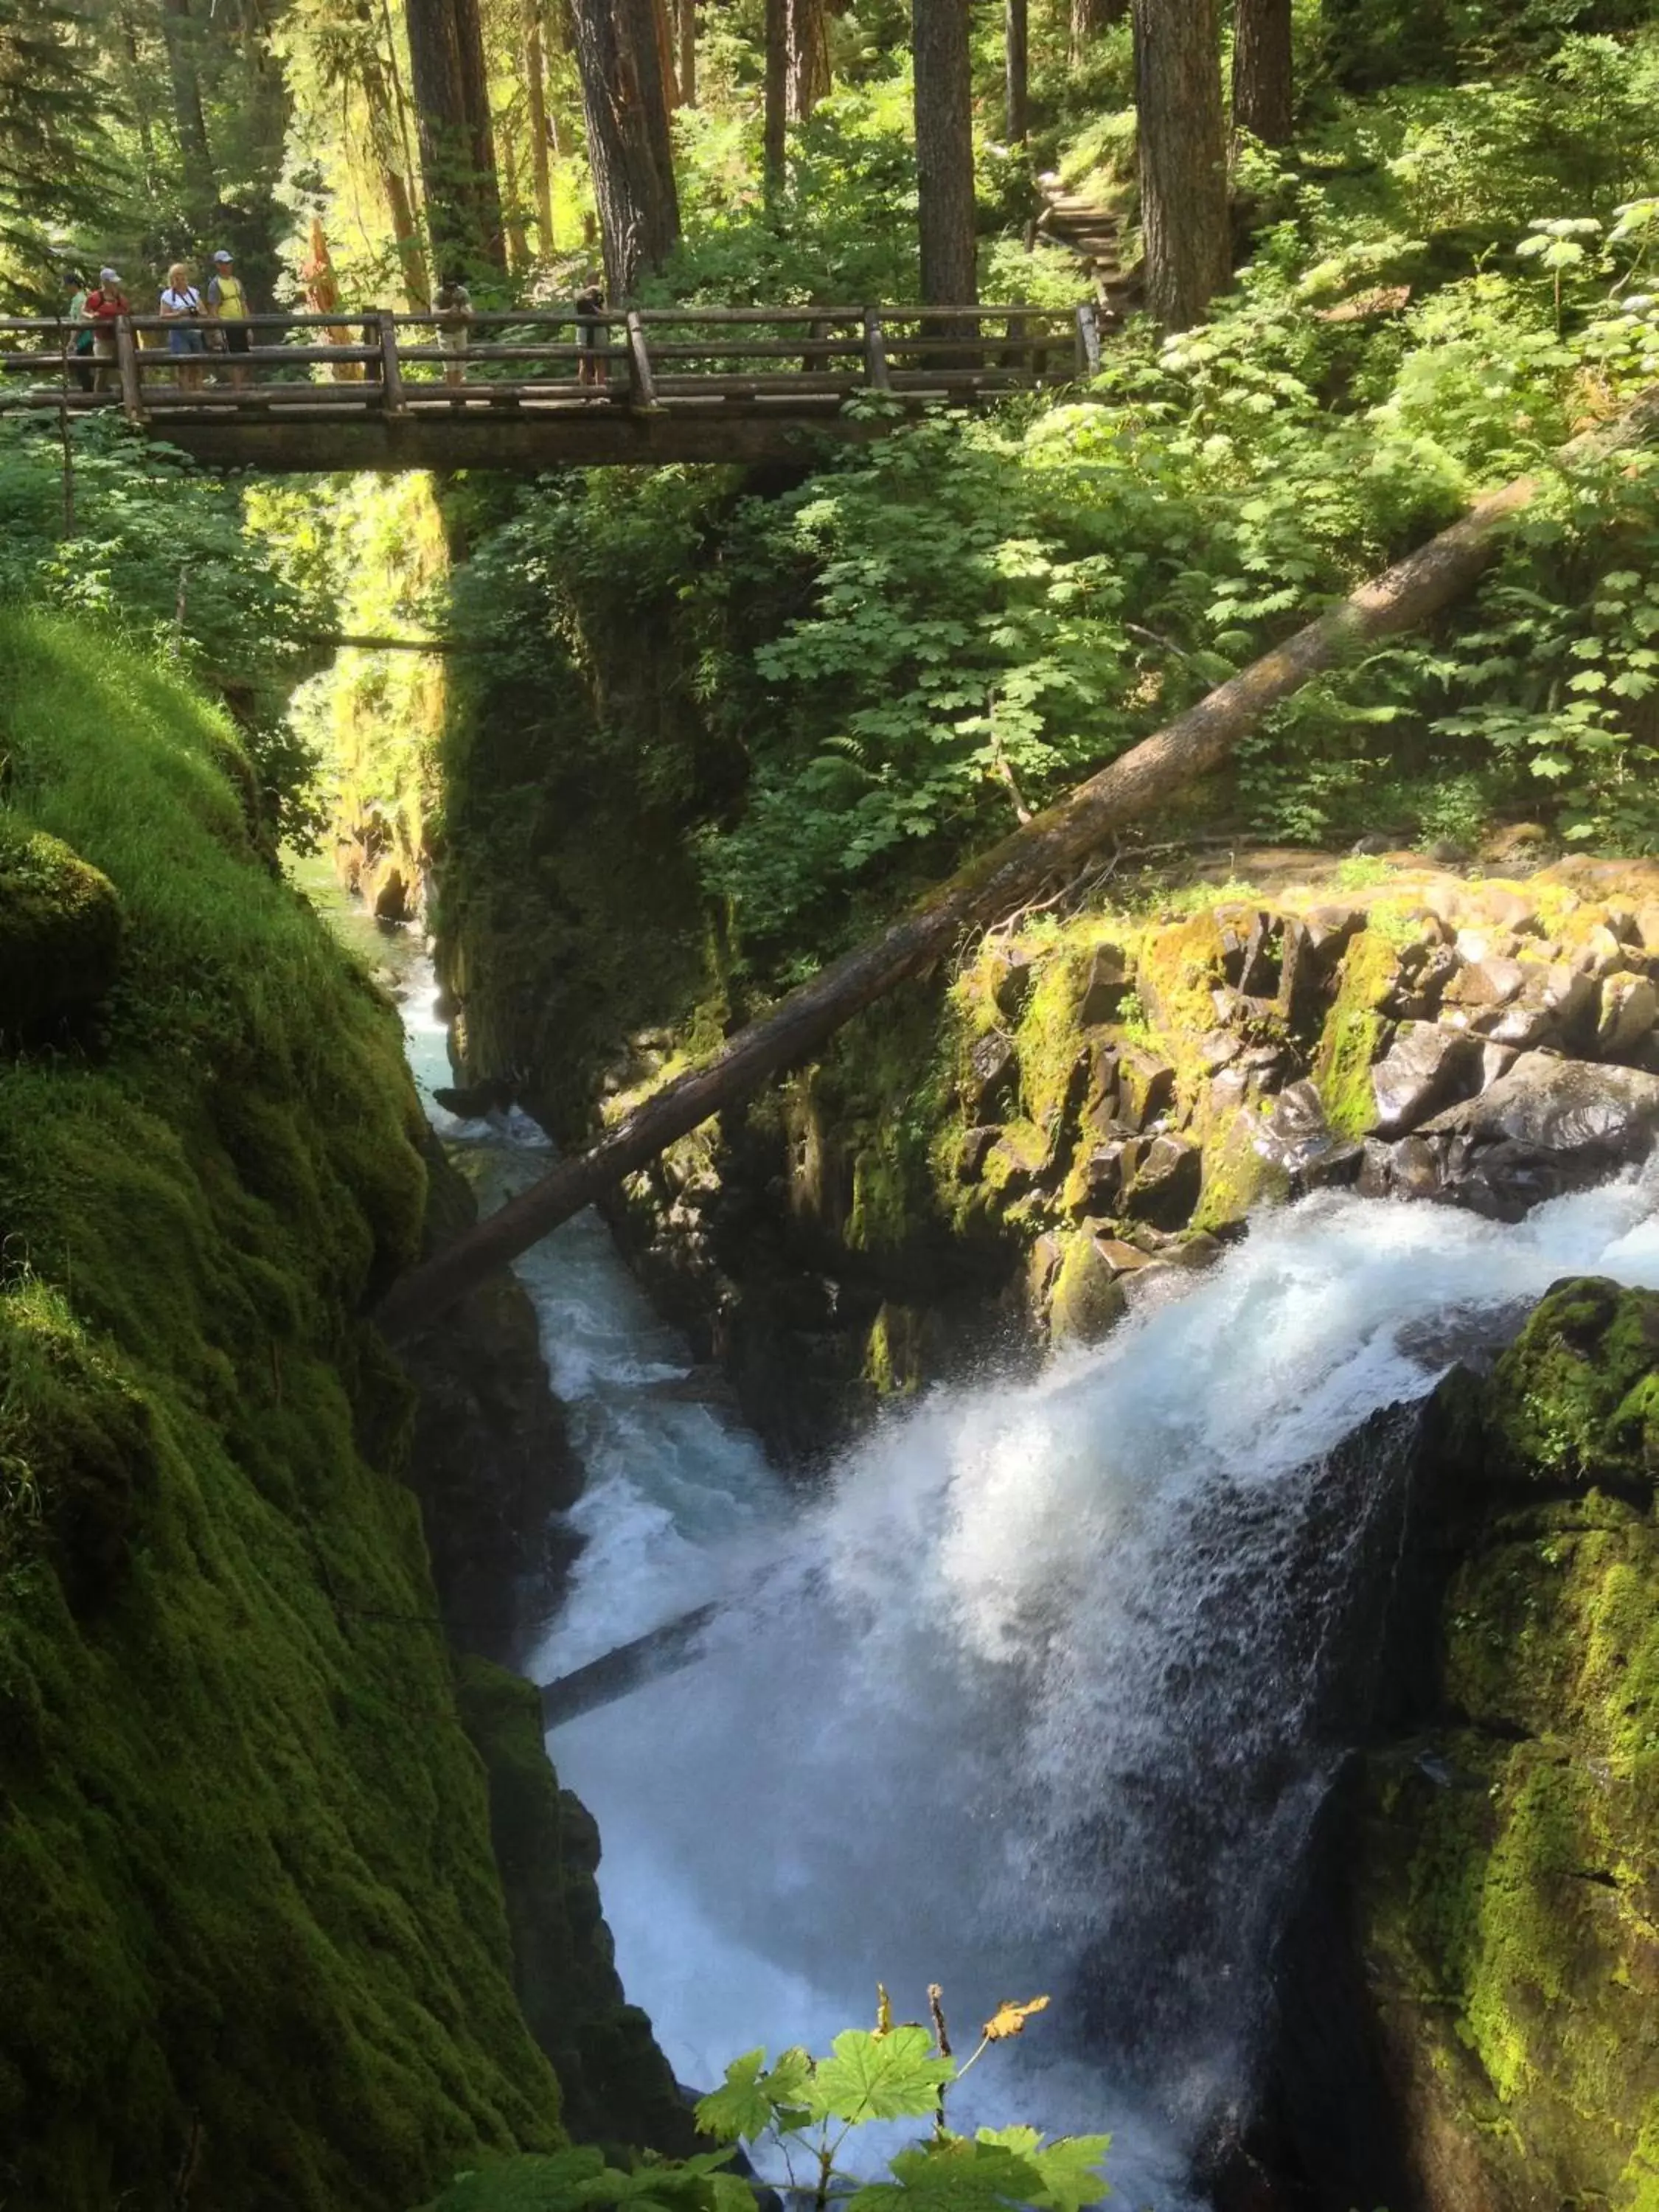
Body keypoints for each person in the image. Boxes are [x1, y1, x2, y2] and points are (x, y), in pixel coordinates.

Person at [206, 247, 251, 391]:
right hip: (227, 326)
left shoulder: (236, 282)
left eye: (229, 263)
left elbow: (244, 304)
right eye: (224, 263)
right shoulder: (215, 285)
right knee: (234, 360)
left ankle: (240, 389)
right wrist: (217, 330)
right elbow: (213, 309)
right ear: (218, 265)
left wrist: (249, 326)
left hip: (241, 325)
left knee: (246, 359)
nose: (228, 266)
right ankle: (238, 392)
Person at [159, 261, 206, 394]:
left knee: (198, 365)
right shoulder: (168, 295)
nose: (179, 278)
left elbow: (204, 312)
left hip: (196, 332)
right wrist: (179, 313)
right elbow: (163, 316)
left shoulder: (194, 293)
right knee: (183, 366)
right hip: (178, 333)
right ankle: (186, 398)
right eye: (176, 275)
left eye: (182, 275)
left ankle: (200, 397)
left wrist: (195, 312)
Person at [82, 268, 130, 394]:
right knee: (101, 368)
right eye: (112, 282)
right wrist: (92, 316)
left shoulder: (120, 298)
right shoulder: (95, 297)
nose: (115, 285)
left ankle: (124, 394)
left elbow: (127, 312)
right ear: (105, 282)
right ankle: (98, 396)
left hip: (120, 338)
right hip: (102, 338)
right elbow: (85, 311)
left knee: (124, 365)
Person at [433, 270, 472, 390]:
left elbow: (470, 312)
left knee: (460, 364)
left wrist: (461, 311)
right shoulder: (438, 294)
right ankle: (452, 392)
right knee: (449, 364)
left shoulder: (463, 293)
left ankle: (458, 391)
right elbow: (434, 312)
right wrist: (448, 312)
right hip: (445, 332)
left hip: (460, 331)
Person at [64, 270, 94, 394]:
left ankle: (89, 397)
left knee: (83, 369)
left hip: (84, 339)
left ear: (72, 285)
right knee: (82, 369)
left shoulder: (81, 299)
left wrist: (72, 341)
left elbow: (81, 322)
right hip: (81, 339)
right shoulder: (77, 299)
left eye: (66, 285)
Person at [574, 274, 607, 387]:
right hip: (583, 330)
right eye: (592, 279)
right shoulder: (579, 292)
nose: (595, 281)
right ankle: (583, 392)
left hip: (598, 329)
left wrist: (597, 309)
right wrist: (591, 289)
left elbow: (605, 312)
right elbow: (577, 298)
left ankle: (600, 391)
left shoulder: (600, 296)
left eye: (596, 280)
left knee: (600, 362)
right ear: (586, 281)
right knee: (583, 362)